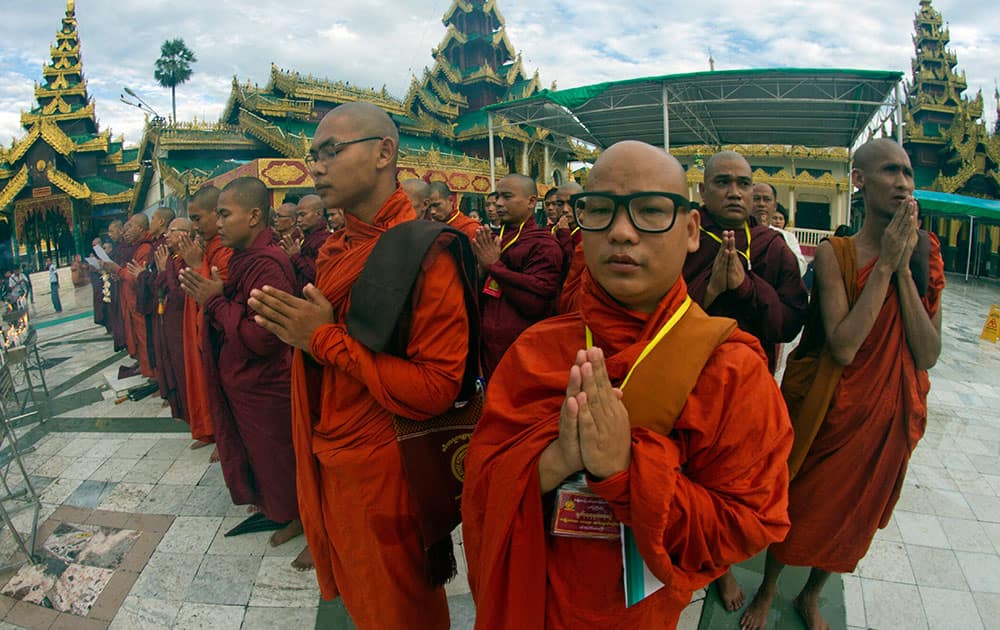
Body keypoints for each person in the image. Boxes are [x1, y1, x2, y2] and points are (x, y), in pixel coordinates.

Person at [462, 141, 794, 628]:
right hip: (537, 595)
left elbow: (748, 524)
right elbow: (481, 488)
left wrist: (625, 472)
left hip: (640, 611)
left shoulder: (731, 368)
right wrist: (555, 461)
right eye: (599, 211)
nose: (620, 232)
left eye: (650, 211)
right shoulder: (537, 350)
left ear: (690, 231)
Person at [248, 102, 469, 628]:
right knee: (365, 602)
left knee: (398, 610)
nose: (315, 167)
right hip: (336, 449)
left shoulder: (425, 251)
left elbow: (437, 387)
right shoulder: (338, 247)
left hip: (388, 466)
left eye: (330, 151)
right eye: (313, 155)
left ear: (383, 153)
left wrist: (321, 338)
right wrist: (303, 334)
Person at [741, 139, 945, 630]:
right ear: (859, 181)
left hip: (888, 416)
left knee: (855, 519)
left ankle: (812, 594)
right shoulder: (838, 253)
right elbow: (845, 346)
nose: (902, 182)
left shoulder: (926, 252)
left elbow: (929, 352)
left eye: (908, 174)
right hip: (835, 408)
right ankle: (769, 587)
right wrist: (886, 267)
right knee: (805, 506)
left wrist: (901, 270)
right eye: (890, 171)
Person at [178, 176, 307, 566]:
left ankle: (304, 519)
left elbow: (263, 337)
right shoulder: (246, 259)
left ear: (253, 216)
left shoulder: (267, 263)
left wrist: (215, 302)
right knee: (266, 457)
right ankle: (278, 505)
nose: (217, 223)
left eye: (224, 213)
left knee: (283, 457)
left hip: (267, 383)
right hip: (246, 383)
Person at [683, 151, 808, 374]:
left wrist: (747, 286)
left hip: (750, 376)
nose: (734, 193)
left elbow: (791, 323)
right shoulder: (682, 237)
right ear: (702, 190)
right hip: (688, 370)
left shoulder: (771, 245)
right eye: (722, 182)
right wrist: (709, 290)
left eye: (743, 184)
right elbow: (654, 313)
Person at [472, 174, 563, 379]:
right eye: (497, 198)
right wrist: (480, 270)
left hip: (519, 347)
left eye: (507, 197)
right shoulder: (496, 240)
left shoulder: (543, 245)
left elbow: (536, 302)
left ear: (531, 202)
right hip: (486, 346)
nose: (498, 204)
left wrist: (494, 266)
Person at [180, 186, 233, 452]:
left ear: (216, 213)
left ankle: (225, 438)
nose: (195, 226)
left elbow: (217, 290)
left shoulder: (225, 249)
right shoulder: (211, 246)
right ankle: (212, 430)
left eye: (198, 219)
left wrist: (196, 262)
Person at [152, 218, 191, 421]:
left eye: (172, 231)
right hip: (170, 321)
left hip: (183, 323)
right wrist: (163, 270)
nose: (166, 235)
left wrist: (164, 270)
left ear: (185, 233)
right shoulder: (172, 258)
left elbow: (179, 295)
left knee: (187, 370)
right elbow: (161, 284)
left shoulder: (187, 258)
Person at [753, 184, 808, 277]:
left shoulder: (786, 237)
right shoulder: (738, 232)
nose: (761, 204)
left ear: (774, 206)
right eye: (756, 199)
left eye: (767, 199)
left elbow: (800, 267)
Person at [280, 193, 331, 288]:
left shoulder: (325, 240)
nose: (298, 220)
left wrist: (295, 256)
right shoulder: (306, 238)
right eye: (297, 215)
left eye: (303, 215)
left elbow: (317, 274)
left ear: (319, 214)